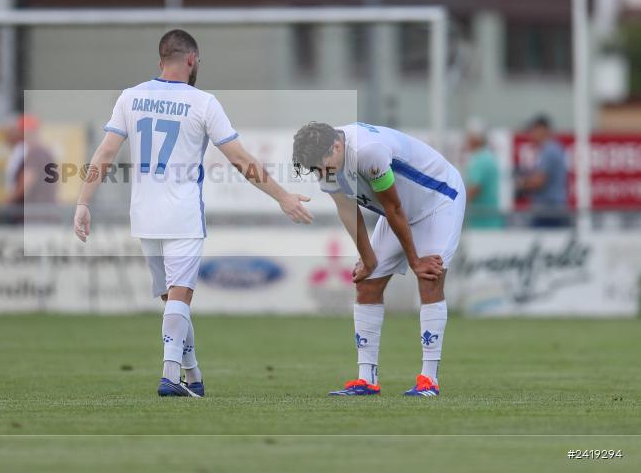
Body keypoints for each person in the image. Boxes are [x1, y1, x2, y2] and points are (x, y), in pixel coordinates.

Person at [73, 29, 313, 398]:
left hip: (144, 216)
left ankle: (193, 376)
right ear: (191, 60)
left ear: (160, 61)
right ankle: (170, 376)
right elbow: (239, 158)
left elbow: (105, 154)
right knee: (180, 299)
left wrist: (83, 202)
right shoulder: (203, 102)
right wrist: (282, 196)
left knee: (172, 303)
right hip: (182, 214)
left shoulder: (130, 97)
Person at [292, 121, 465, 398]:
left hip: (437, 199)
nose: (321, 174)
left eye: (322, 167)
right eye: (315, 170)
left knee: (429, 276)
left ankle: (428, 380)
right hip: (397, 210)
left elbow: (393, 207)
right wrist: (367, 259)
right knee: (367, 282)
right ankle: (366, 379)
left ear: (337, 146)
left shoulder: (368, 152)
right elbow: (348, 211)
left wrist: (415, 260)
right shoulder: (324, 156)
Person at [515, 115, 569, 228]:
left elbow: (539, 181)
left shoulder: (549, 151)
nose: (531, 134)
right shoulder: (551, 149)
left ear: (542, 129)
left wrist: (521, 184)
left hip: (549, 211)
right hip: (550, 210)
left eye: (533, 129)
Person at [463, 119, 504, 229]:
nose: (466, 139)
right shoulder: (488, 157)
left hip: (481, 224)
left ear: (476, 138)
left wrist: (455, 206)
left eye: (469, 135)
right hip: (490, 222)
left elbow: (474, 188)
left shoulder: (479, 160)